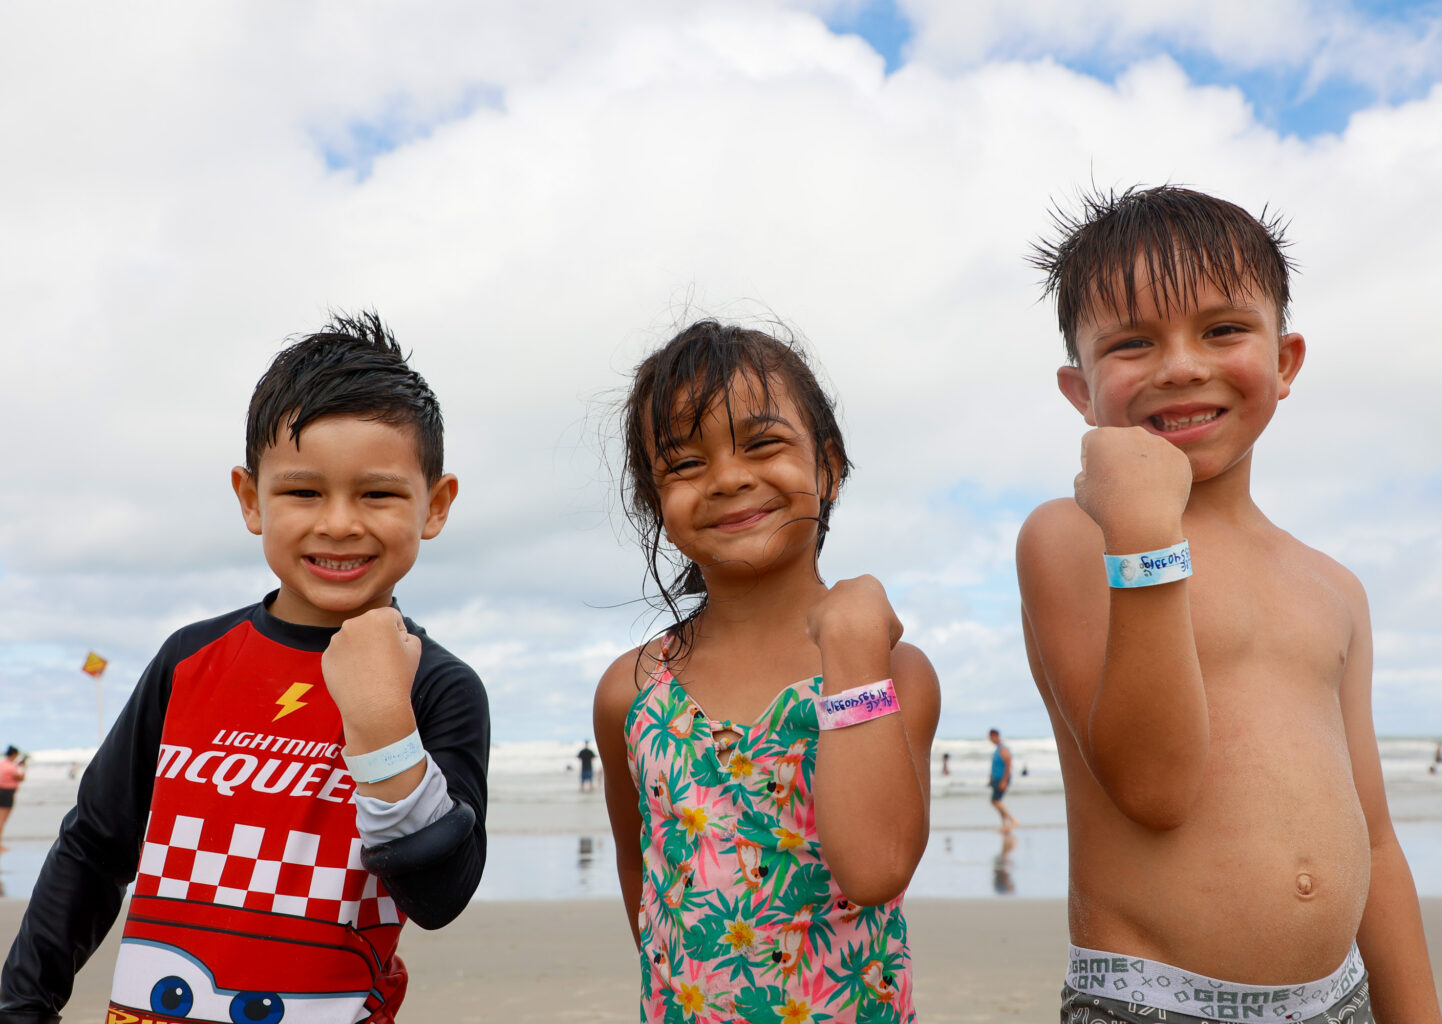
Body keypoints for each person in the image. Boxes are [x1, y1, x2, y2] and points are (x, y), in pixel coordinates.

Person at [1017, 186, 1440, 1023]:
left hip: (1341, 1001)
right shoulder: (1073, 538)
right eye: (1133, 342)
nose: (1181, 365)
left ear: (1284, 363)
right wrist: (1140, 525)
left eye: (1222, 329)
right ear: (1080, 390)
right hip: (1154, 1005)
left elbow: (1378, 845)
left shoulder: (1332, 586)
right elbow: (1155, 787)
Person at [0, 313, 490, 1024]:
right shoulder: (188, 660)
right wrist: (23, 1005)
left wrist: (383, 719)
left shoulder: (441, 687)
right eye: (303, 492)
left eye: (377, 494)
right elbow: (95, 848)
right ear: (251, 498)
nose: (340, 523)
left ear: (435, 505)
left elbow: (439, 898)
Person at [593, 320, 940, 1023]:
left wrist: (850, 649)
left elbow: (876, 869)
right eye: (685, 463)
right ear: (655, 502)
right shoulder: (630, 692)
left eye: (762, 443)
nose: (728, 478)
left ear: (828, 466)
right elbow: (645, 886)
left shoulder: (890, 671)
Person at [987, 729, 1018, 831]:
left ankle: (1013, 820)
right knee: (998, 801)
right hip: (996, 779)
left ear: (995, 736)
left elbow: (1008, 765)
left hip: (1002, 779)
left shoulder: (1003, 749)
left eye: (991, 737)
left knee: (995, 801)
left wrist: (1004, 781)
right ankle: (1004, 825)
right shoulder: (997, 749)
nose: (990, 739)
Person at [0, 748, 25, 852]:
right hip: (6, 794)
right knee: (2, 820)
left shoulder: (2, 764)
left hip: (2, 791)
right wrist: (24, 767)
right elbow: (21, 778)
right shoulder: (11, 767)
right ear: (13, 754)